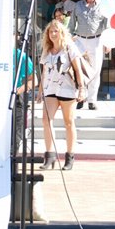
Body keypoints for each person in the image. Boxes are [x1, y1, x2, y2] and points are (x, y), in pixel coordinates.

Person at [37, 20, 87, 171]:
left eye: (55, 31)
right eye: (50, 31)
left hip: (67, 88)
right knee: (46, 120)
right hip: (50, 89)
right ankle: (49, 155)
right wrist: (40, 91)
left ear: (61, 33)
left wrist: (81, 89)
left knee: (69, 122)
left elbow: (78, 69)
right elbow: (44, 72)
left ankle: (70, 156)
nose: (53, 34)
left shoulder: (69, 48)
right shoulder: (47, 50)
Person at [68, 0, 106, 110]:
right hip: (80, 40)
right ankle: (80, 97)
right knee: (78, 69)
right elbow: (71, 24)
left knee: (95, 70)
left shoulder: (103, 5)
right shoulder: (78, 5)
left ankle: (92, 100)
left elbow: (107, 25)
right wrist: (69, 38)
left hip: (97, 40)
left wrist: (107, 43)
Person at [11, 46, 35, 157]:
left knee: (14, 139)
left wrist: (18, 90)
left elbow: (33, 80)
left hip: (15, 100)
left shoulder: (21, 56)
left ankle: (12, 164)